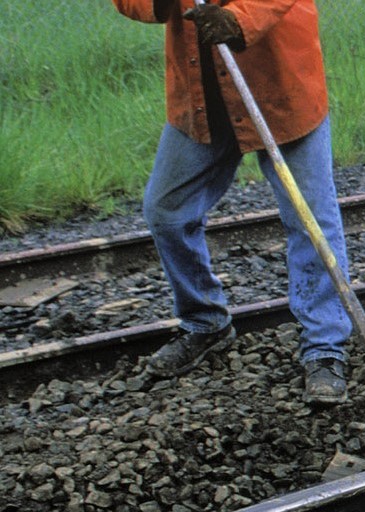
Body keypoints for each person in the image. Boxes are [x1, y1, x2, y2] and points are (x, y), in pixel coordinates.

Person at [112, 0, 352, 404]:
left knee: (309, 218)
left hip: (280, 84)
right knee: (166, 211)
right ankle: (206, 322)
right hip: (202, 93)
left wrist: (237, 20)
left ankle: (325, 348)